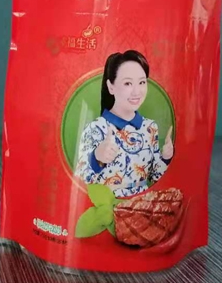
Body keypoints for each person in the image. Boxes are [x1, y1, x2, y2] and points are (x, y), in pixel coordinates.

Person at [74, 50, 174, 198]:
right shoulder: (96, 128)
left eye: (142, 82)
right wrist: (97, 157)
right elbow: (80, 179)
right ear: (111, 87)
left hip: (141, 203)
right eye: (128, 83)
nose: (137, 92)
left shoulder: (149, 127)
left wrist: (165, 157)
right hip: (107, 204)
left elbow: (154, 176)